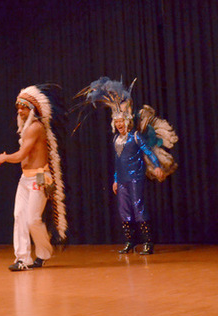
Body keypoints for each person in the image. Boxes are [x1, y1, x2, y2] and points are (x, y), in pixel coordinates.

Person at [76, 77, 177, 255]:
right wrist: (116, 180)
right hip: (122, 179)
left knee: (138, 207)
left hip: (136, 177)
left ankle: (148, 242)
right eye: (117, 123)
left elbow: (149, 152)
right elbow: (118, 161)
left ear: (127, 121)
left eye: (121, 122)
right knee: (124, 210)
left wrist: (156, 166)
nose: (119, 125)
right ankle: (130, 242)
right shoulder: (116, 139)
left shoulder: (136, 136)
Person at [0, 85, 66, 271]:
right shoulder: (26, 128)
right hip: (25, 178)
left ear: (33, 109)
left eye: (24, 108)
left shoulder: (35, 127)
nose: (20, 111)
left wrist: (5, 157)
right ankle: (23, 259)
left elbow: (21, 155)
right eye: (18, 108)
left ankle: (44, 253)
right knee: (19, 216)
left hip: (39, 177)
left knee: (32, 219)